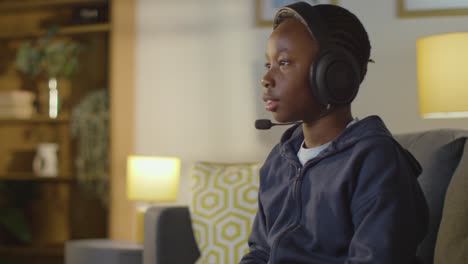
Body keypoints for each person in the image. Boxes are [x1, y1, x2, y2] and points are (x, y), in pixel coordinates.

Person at [240, 2, 428, 264]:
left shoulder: (374, 160)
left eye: (283, 63)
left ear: (333, 74)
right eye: (267, 64)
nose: (266, 78)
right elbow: (261, 252)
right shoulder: (279, 160)